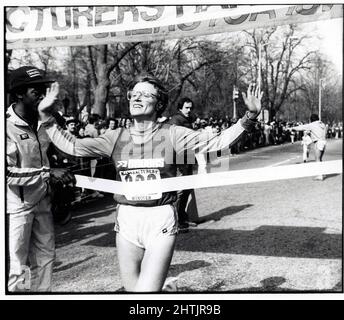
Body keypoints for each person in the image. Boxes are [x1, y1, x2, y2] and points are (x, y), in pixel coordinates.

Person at [38, 73, 263, 292]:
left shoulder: (173, 134)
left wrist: (250, 116)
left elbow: (218, 141)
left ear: (158, 104)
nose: (137, 98)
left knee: (144, 294)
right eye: (134, 94)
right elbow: (73, 146)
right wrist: (46, 116)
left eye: (145, 95)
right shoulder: (115, 137)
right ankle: (167, 288)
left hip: (160, 218)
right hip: (127, 219)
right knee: (132, 289)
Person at [6, 66, 75, 291]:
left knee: (46, 256)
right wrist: (48, 173)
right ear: (18, 94)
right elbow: (7, 173)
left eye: (44, 90)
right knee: (18, 263)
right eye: (36, 91)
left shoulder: (44, 120)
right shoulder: (6, 125)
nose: (42, 96)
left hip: (43, 201)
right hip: (17, 207)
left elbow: (64, 149)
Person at [168, 98, 197, 231]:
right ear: (180, 108)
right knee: (181, 190)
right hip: (180, 158)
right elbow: (171, 141)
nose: (189, 110)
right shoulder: (176, 121)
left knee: (187, 188)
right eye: (186, 108)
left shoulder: (188, 120)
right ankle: (177, 220)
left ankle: (182, 216)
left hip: (188, 156)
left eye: (190, 108)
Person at [290, 114, 327, 180]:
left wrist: (293, 128)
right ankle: (322, 173)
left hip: (318, 142)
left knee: (317, 159)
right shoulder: (322, 124)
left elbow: (302, 127)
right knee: (320, 158)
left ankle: (319, 175)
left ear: (311, 119)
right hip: (324, 141)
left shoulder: (312, 124)